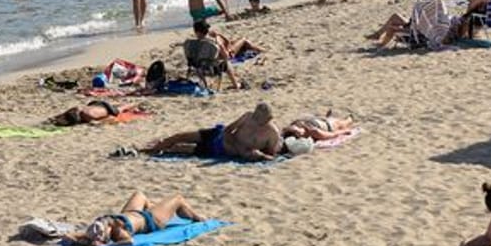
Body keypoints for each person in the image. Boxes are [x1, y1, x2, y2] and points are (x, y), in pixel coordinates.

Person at [142, 102, 282, 161]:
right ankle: (151, 149)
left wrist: (255, 155)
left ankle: (158, 149)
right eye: (255, 117)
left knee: (182, 149)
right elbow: (228, 130)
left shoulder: (271, 133)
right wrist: (237, 145)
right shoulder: (248, 116)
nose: (256, 121)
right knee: (180, 136)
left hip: (222, 150)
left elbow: (270, 154)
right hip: (219, 135)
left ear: (269, 118)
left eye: (260, 119)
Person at [65, 192, 206, 246]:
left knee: (140, 194)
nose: (103, 222)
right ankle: (195, 217)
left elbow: (70, 235)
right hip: (152, 221)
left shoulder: (99, 228)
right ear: (106, 234)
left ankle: (156, 206)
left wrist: (77, 237)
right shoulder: (118, 232)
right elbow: (129, 241)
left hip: (131, 213)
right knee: (178, 199)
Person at [366, 0, 450, 49]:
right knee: (395, 16)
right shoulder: (438, 6)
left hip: (420, 33)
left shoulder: (421, 6)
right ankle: (378, 35)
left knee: (392, 28)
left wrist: (406, 26)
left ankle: (381, 44)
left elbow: (416, 25)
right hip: (431, 29)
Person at [50, 100, 136, 126]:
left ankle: (132, 104)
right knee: (118, 106)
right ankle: (131, 103)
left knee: (120, 108)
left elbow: (105, 118)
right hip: (95, 103)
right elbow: (64, 114)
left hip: (108, 109)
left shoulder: (88, 117)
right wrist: (56, 117)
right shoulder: (78, 109)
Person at [282, 112, 356, 142]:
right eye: (297, 133)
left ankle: (348, 120)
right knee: (341, 124)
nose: (300, 133)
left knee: (338, 123)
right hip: (327, 126)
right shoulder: (312, 132)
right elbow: (330, 135)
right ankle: (349, 120)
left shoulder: (309, 130)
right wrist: (344, 131)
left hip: (318, 121)